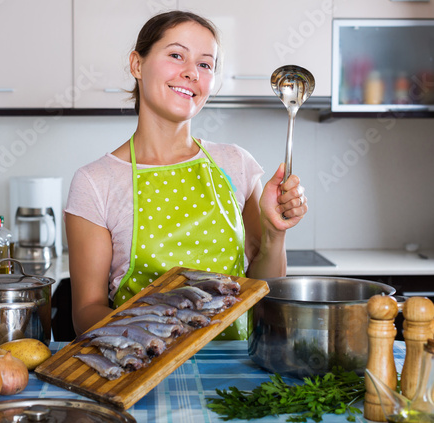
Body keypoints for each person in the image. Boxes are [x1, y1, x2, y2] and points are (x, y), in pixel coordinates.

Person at [64, 10, 308, 339]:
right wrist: (161, 340)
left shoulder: (235, 163)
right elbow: (85, 312)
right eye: (176, 55)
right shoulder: (96, 182)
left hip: (234, 370)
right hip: (143, 368)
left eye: (205, 64)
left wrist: (275, 235)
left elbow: (264, 289)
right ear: (137, 65)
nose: (191, 72)